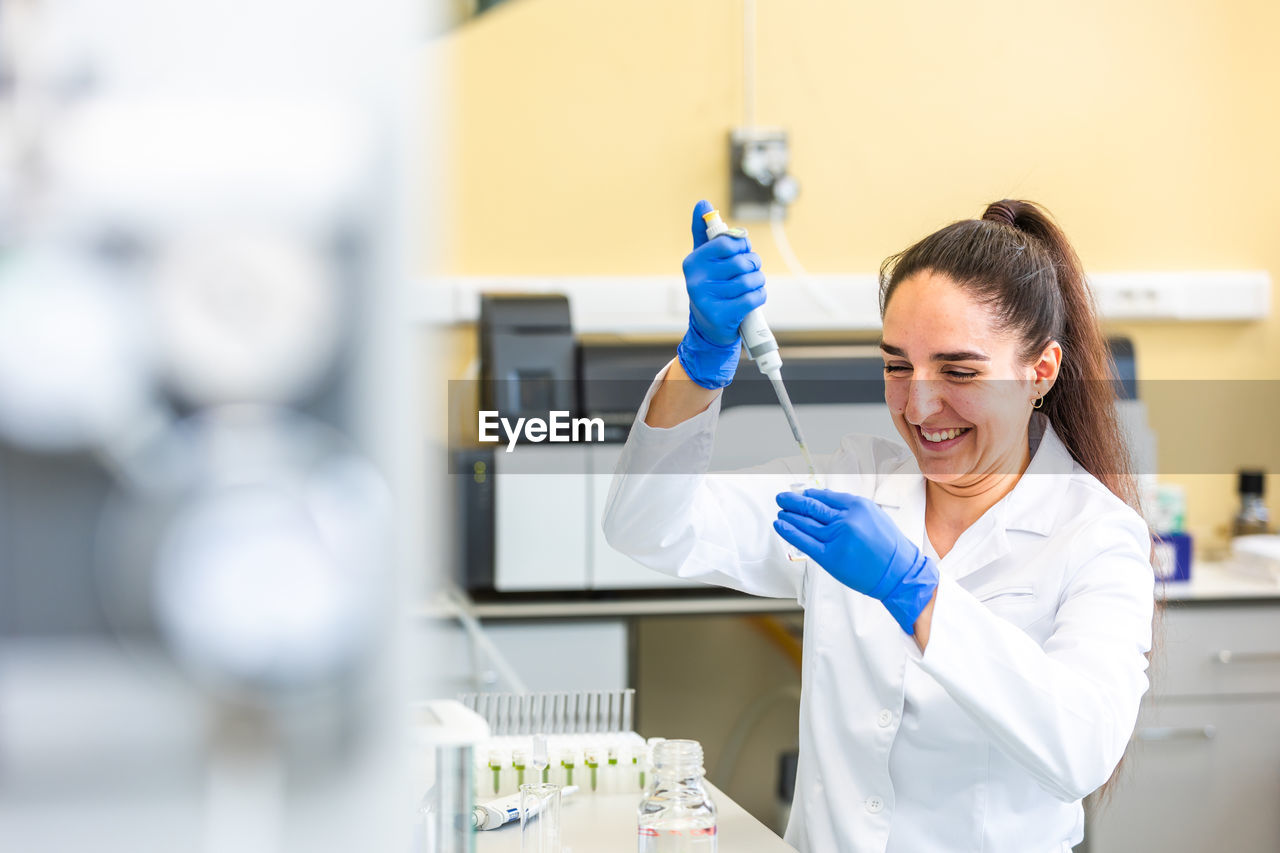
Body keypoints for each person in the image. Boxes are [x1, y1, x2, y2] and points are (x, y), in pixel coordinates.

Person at [602, 199, 1155, 853]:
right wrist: (699, 364)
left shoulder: (1096, 536)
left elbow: (1079, 749)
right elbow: (650, 527)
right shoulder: (853, 484)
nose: (919, 404)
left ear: (1041, 371)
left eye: (958, 370)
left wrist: (917, 591)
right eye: (897, 365)